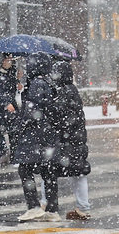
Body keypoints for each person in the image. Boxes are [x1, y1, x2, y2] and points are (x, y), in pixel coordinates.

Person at [41, 60, 91, 220]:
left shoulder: (63, 92)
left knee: (48, 171)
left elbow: (58, 116)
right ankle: (83, 207)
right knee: (78, 173)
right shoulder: (72, 90)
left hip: (66, 141)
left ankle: (44, 204)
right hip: (76, 141)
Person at [15, 52, 60, 222]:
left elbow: (32, 110)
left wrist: (22, 123)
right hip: (47, 134)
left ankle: (33, 206)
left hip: (35, 135)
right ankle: (52, 209)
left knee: (25, 169)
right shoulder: (49, 82)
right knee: (48, 172)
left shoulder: (36, 84)